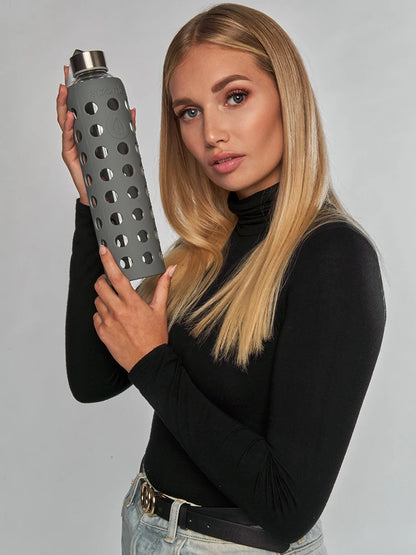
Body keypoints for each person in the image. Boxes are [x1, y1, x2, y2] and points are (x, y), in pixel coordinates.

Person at [56, 3, 386, 553]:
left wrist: (153, 361)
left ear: (287, 96)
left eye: (235, 97)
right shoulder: (204, 248)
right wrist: (96, 200)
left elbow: (288, 505)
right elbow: (92, 382)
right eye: (189, 112)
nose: (212, 133)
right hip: (147, 526)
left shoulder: (332, 258)